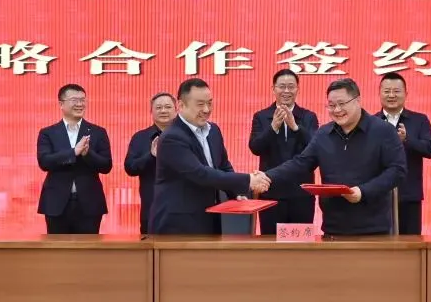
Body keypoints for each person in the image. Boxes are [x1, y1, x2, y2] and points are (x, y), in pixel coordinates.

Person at [266, 78, 406, 236]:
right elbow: (300, 163)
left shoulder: (383, 131)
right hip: (332, 228)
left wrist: (363, 191)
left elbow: (397, 170)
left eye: (342, 103)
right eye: (331, 105)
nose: (337, 110)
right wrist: (266, 176)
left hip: (373, 229)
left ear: (357, 100)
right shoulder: (323, 134)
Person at [149, 78, 269, 235]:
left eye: (210, 103)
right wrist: (248, 180)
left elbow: (223, 166)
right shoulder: (172, 137)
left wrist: (236, 192)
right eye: (200, 104)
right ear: (181, 105)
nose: (206, 109)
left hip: (209, 218)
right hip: (177, 224)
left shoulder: (214, 131)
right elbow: (200, 173)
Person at [248, 69, 320, 234]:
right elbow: (255, 148)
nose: (286, 91)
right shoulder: (261, 116)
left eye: (291, 86)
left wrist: (295, 127)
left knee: (300, 245)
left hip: (301, 195)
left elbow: (316, 148)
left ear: (297, 89)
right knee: (271, 244)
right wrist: (273, 127)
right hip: (271, 194)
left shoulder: (308, 117)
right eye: (282, 86)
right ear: (273, 89)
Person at [36, 83, 113, 234]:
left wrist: (87, 154)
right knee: (57, 247)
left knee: (88, 247)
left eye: (83, 100)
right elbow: (44, 162)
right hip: (56, 203)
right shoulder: (48, 133)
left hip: (89, 203)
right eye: (74, 100)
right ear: (61, 104)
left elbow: (106, 165)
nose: (80, 104)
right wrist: (73, 152)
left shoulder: (98, 132)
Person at [376, 72, 431, 235]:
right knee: (379, 242)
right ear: (379, 93)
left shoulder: (419, 120)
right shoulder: (370, 121)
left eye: (396, 91)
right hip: (378, 195)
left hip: (410, 194)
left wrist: (407, 139)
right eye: (387, 91)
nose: (391, 95)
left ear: (406, 93)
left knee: (410, 243)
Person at [124, 92, 177, 235]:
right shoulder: (140, 137)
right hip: (152, 208)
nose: (163, 111)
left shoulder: (188, 136)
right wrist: (151, 156)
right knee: (150, 247)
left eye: (168, 107)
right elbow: (130, 168)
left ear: (176, 110)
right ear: (151, 111)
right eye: (158, 107)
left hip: (184, 209)